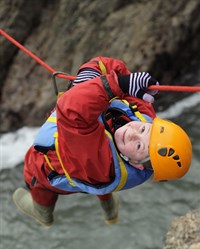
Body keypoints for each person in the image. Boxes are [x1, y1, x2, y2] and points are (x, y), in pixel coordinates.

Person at [12, 56, 192, 227]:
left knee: (37, 177)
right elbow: (105, 64)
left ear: (137, 164)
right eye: (143, 129)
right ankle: (110, 210)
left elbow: (72, 111)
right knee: (102, 174)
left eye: (139, 146)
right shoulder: (143, 119)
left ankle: (43, 214)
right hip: (93, 167)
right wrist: (116, 79)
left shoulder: (100, 163)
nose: (132, 132)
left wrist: (113, 85)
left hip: (56, 168)